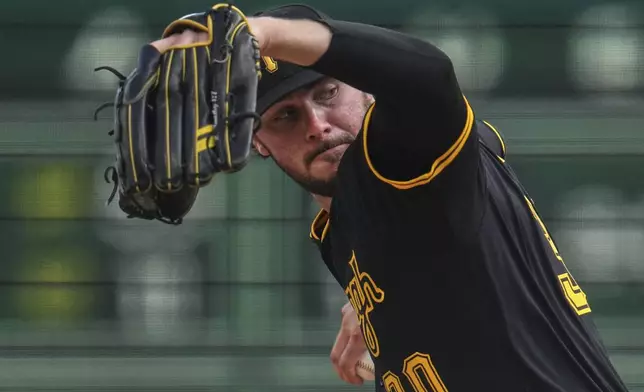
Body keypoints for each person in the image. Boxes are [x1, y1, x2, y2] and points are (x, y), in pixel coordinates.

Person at [149, 3, 630, 391]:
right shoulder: (343, 225)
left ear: (365, 91)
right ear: (256, 143)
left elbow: (428, 74)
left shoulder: (398, 160)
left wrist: (263, 32)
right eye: (285, 117)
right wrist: (382, 305)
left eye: (328, 93)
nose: (317, 125)